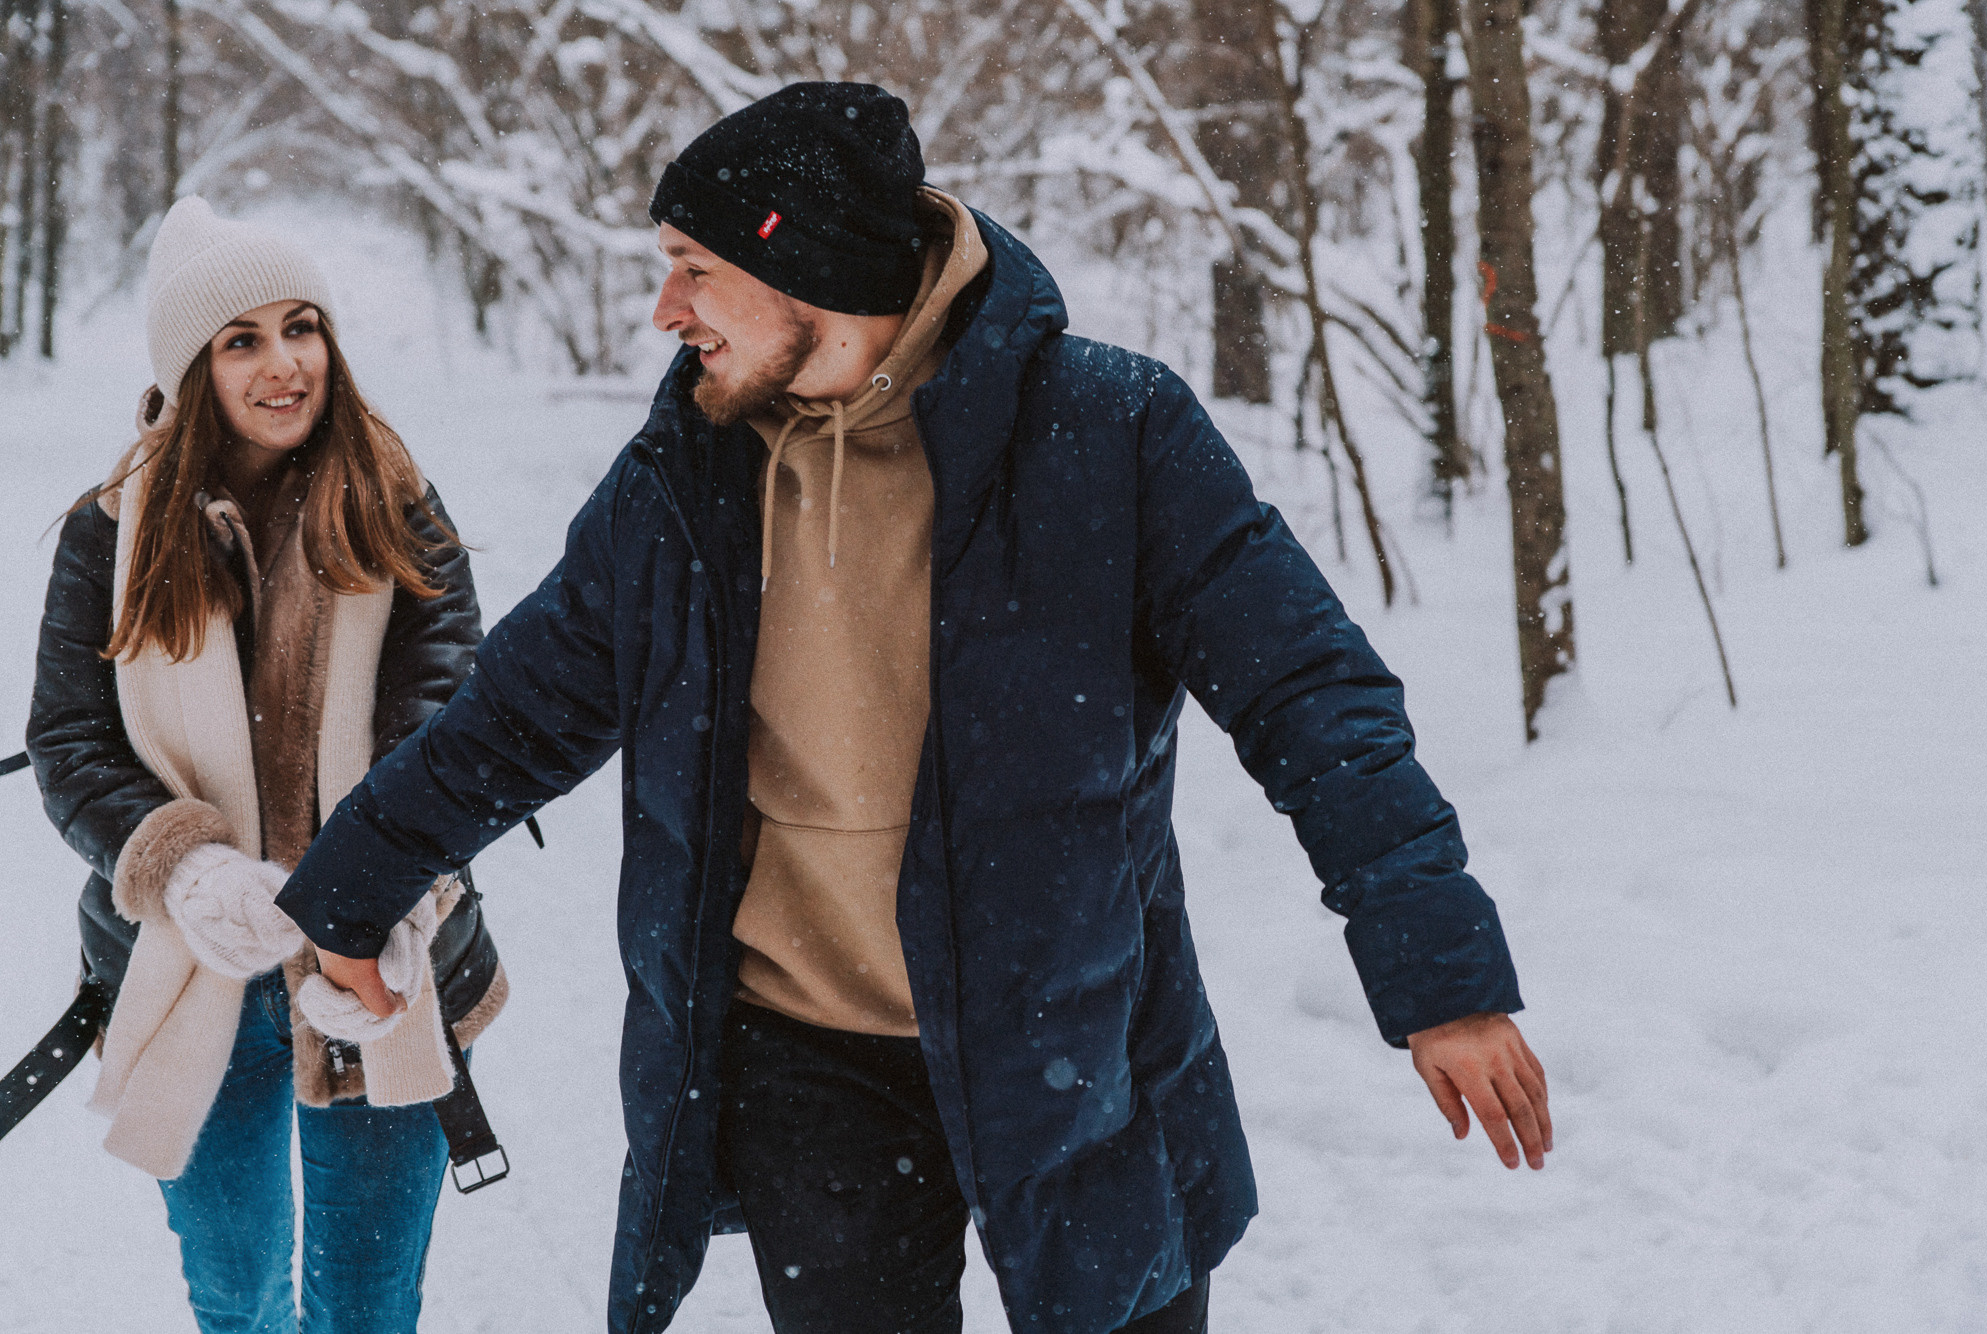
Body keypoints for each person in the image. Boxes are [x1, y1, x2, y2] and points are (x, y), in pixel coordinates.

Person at [279, 83, 1550, 1334]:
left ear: (806, 265)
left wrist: (1436, 971)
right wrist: (353, 882)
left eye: (692, 268)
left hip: (1071, 1034)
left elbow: (1309, 695)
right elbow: (521, 706)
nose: (665, 310)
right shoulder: (688, 472)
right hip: (807, 1059)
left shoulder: (1107, 432)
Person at [27, 196, 507, 1334]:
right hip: (192, 966)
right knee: (236, 1294)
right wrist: (188, 870)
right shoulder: (114, 528)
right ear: (193, 367)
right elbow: (71, 742)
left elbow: (452, 726)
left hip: (373, 965)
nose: (284, 363)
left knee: (365, 1304)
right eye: (241, 339)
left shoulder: (397, 508)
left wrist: (387, 886)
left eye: (303, 326)